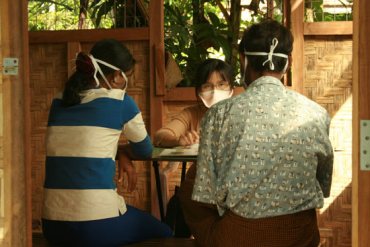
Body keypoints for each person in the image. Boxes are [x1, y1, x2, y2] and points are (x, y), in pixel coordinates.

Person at [179, 20, 334, 247]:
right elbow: (323, 183)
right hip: (300, 236)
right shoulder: (317, 113)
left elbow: (205, 192)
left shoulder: (220, 114)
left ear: (244, 60)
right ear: (287, 63)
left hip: (240, 237)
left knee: (190, 192)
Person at [42, 39, 172, 247]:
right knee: (164, 231)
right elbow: (146, 150)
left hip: (52, 226)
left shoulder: (58, 102)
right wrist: (124, 152)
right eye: (127, 76)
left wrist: (119, 151)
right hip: (96, 226)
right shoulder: (120, 101)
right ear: (117, 75)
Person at [154, 58, 235, 148]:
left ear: (231, 88)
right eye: (207, 86)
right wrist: (178, 141)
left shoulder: (241, 113)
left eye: (221, 84)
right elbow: (160, 136)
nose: (215, 91)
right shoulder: (191, 114)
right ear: (198, 91)